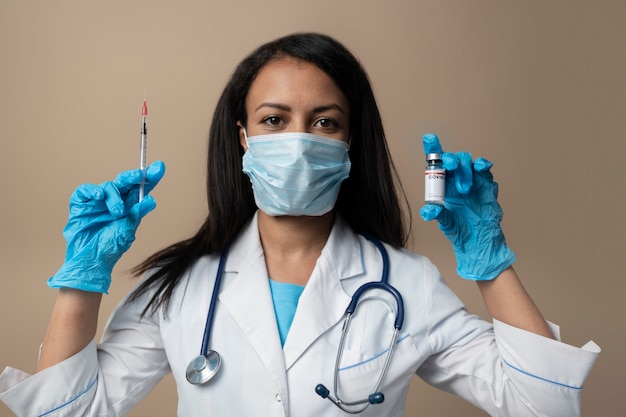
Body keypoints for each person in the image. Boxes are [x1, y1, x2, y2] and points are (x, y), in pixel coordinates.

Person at [0, 33, 599, 417]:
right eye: (273, 119)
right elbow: (62, 415)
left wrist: (491, 264)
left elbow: (544, 405)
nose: (296, 140)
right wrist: (81, 277)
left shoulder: (409, 286)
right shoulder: (179, 287)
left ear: (349, 142)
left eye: (324, 123)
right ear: (242, 138)